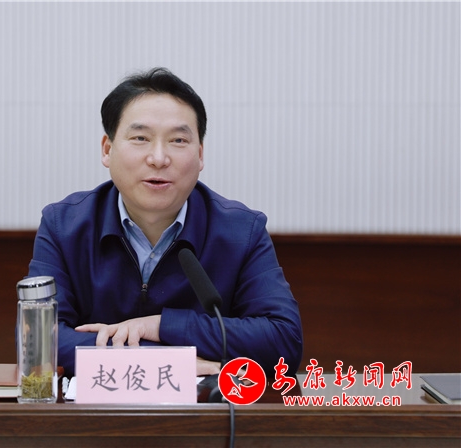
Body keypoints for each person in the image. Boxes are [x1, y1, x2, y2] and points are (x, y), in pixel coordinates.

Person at [27, 67, 303, 378]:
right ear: (107, 150)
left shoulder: (242, 231)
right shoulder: (64, 226)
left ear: (200, 155)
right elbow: (39, 343)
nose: (158, 158)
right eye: (140, 138)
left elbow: (284, 341)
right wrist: (167, 361)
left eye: (178, 140)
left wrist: (162, 326)